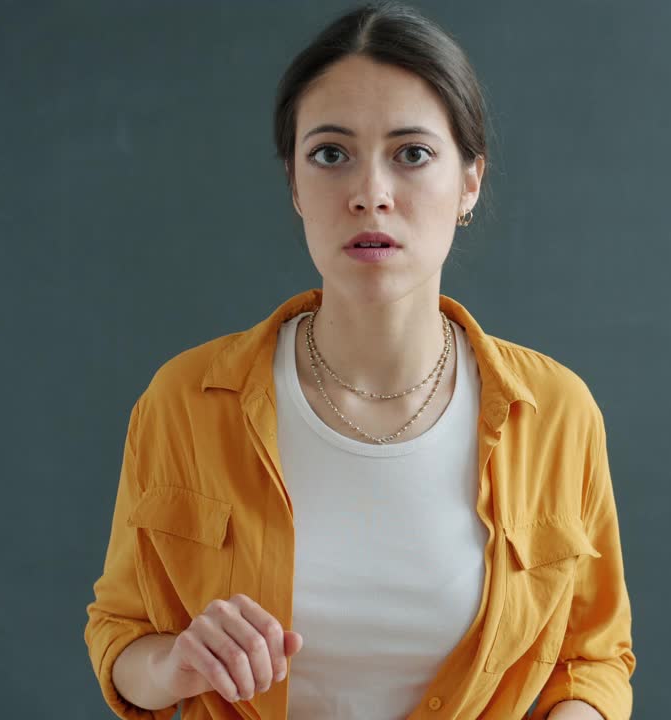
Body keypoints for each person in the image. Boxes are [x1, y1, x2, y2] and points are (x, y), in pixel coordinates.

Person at [84, 3, 636, 718]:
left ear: (470, 181)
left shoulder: (556, 412)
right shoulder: (186, 400)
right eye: (331, 154)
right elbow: (120, 634)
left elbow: (593, 657)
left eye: (412, 154)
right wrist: (176, 662)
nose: (370, 194)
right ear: (294, 182)